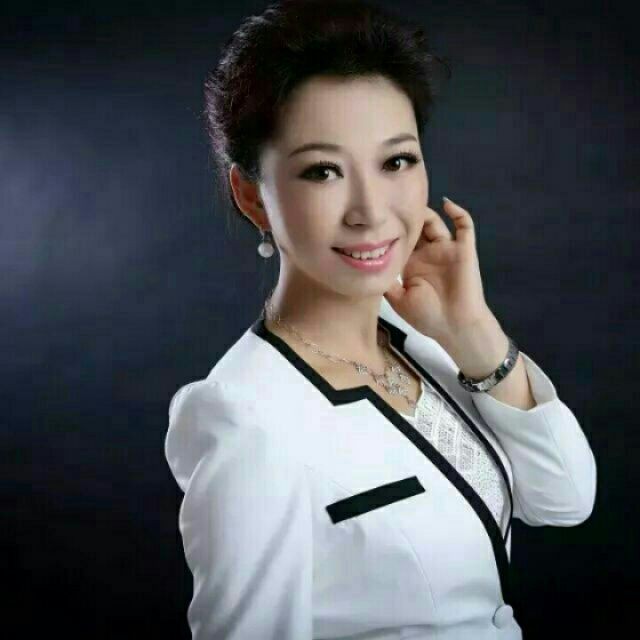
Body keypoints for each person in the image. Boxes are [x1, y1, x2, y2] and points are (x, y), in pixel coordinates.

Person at [164, 1, 597, 638]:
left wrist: (472, 330)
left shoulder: (423, 343)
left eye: (396, 161)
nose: (370, 211)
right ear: (252, 196)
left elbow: (565, 500)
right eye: (322, 171)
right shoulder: (246, 417)